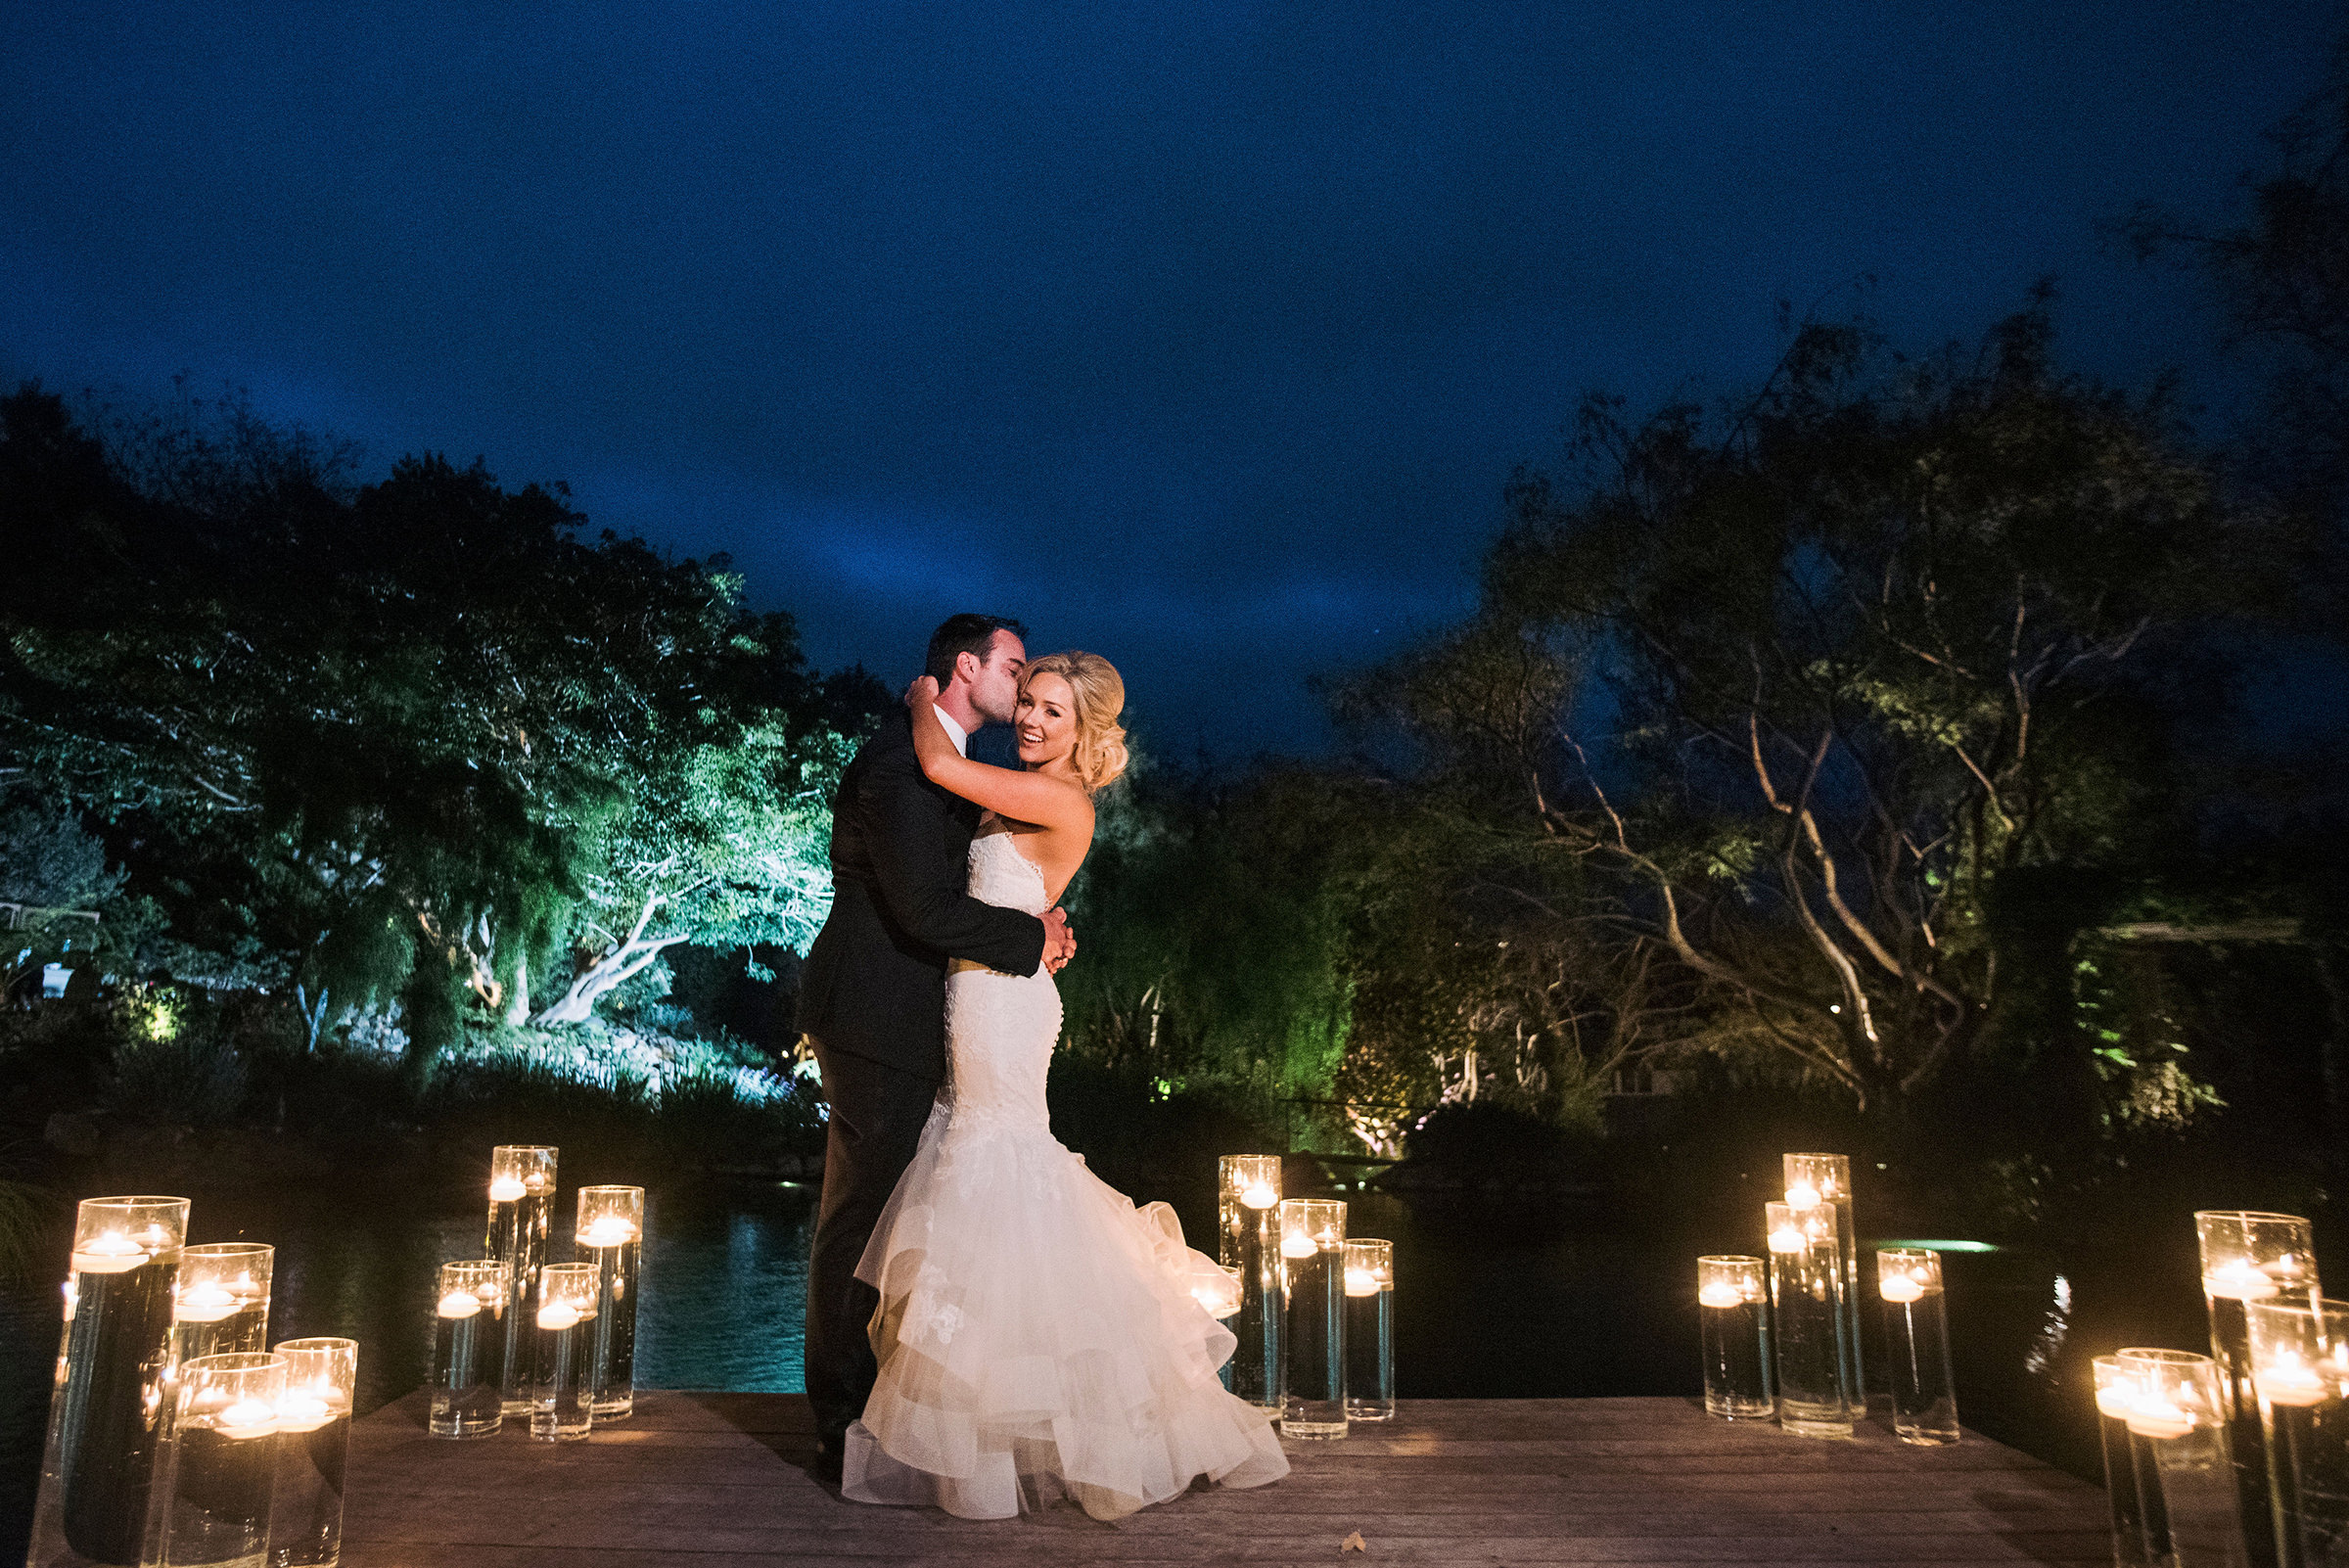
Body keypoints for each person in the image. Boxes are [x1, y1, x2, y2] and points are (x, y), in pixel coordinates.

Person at [840, 650, 1288, 1521]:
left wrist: (926, 695)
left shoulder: (1061, 799)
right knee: (989, 1171)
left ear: (1087, 731)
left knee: (998, 1169)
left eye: (1053, 711)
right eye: (1030, 705)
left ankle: (1000, 1447)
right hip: (984, 993)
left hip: (1003, 1006)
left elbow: (936, 764)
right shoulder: (1019, 787)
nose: (1033, 721)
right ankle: (988, 1441)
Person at [797, 614, 1077, 1485]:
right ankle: (840, 1423)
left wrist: (1036, 927)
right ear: (967, 666)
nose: (1022, 693)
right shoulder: (900, 763)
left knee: (901, 1217)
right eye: (1015, 670)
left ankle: (896, 1406)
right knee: (861, 1218)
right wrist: (1030, 939)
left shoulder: (944, 765)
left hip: (927, 1024)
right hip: (876, 1019)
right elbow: (922, 910)